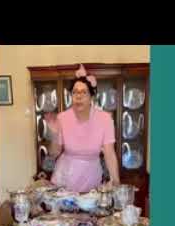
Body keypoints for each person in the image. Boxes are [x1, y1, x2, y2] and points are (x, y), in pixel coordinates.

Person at [44, 64, 120, 193]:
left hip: (91, 176)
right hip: (64, 177)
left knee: (89, 209)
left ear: (91, 97)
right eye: (75, 92)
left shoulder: (105, 119)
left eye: (83, 92)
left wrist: (116, 181)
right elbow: (54, 153)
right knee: (63, 212)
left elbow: (109, 154)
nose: (78, 96)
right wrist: (54, 134)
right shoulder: (62, 118)